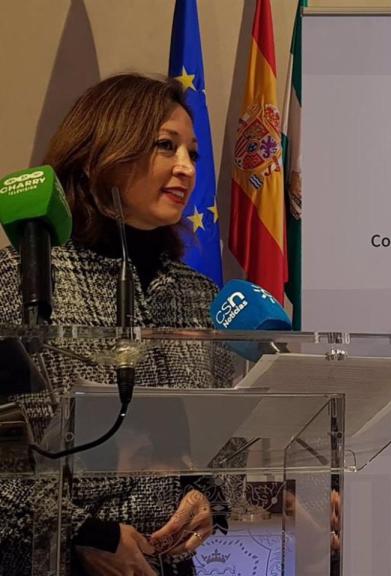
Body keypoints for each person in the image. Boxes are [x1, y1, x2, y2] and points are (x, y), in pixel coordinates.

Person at [0, 73, 233, 576]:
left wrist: (210, 496)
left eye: (192, 152)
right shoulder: (22, 282)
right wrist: (85, 532)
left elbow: (225, 436)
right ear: (101, 152)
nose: (186, 168)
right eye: (166, 146)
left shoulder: (199, 295)